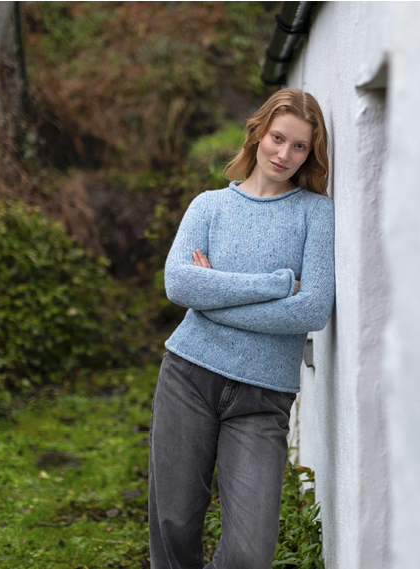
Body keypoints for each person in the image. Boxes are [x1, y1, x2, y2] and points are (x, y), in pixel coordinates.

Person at [148, 87, 335, 569]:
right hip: (188, 377)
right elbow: (179, 283)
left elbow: (312, 309)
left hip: (263, 397)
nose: (285, 154)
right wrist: (274, 285)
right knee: (173, 526)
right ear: (257, 134)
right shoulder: (208, 206)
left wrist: (213, 299)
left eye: (300, 147)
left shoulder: (317, 214)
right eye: (278, 138)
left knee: (252, 553)